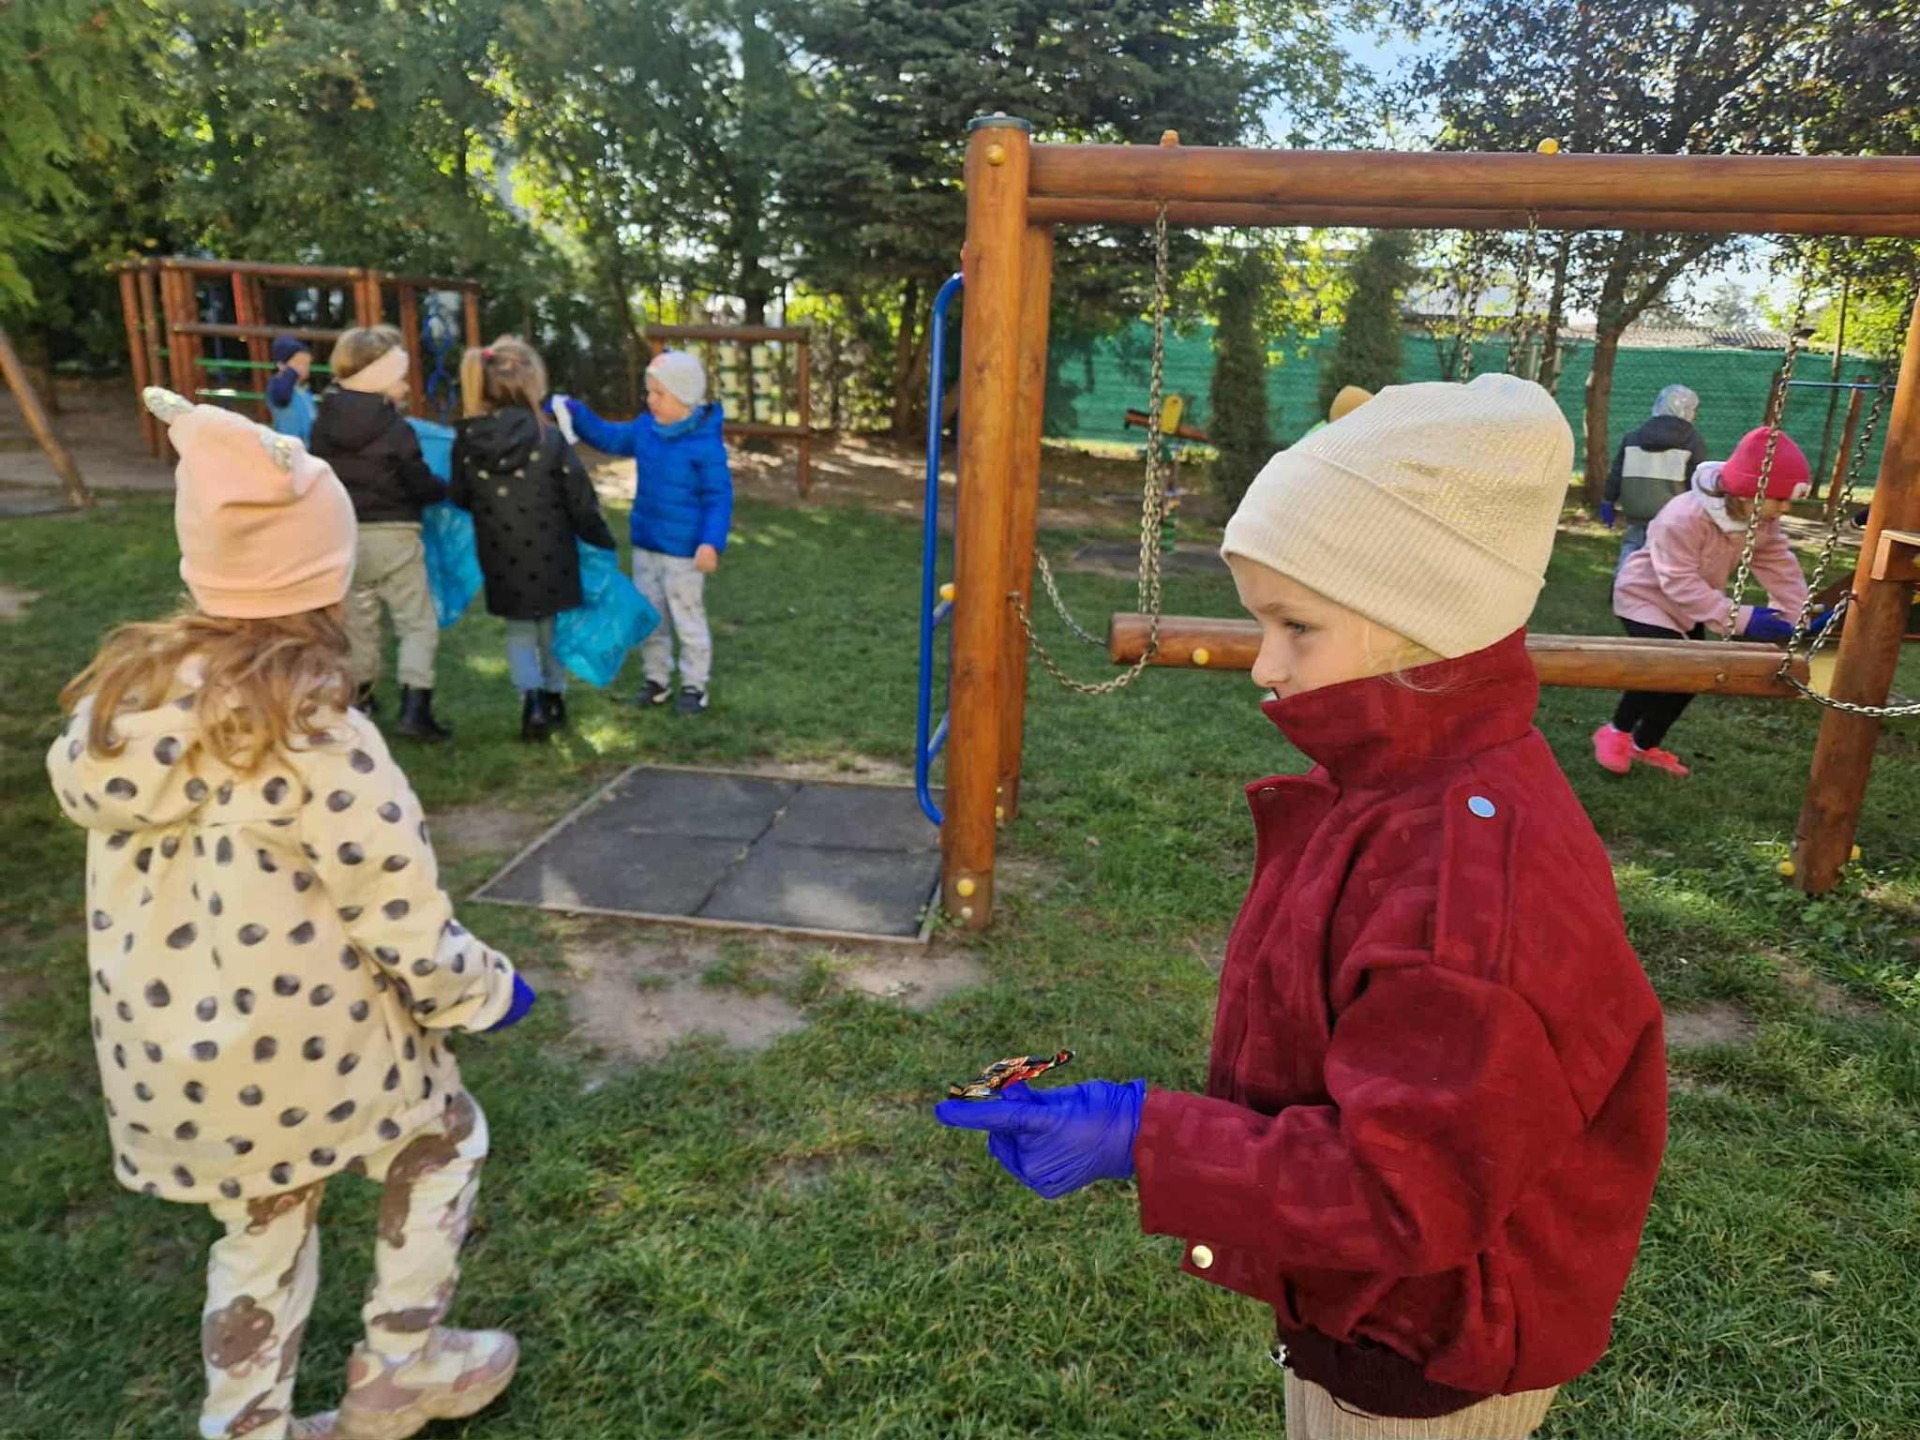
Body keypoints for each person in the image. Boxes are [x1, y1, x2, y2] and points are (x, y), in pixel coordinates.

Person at [937, 375, 1667, 1440]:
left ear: (1424, 625)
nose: (1265, 665)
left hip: (1429, 1341)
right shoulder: (1396, 781)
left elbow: (1403, 1191)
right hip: (1357, 1304)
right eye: (1260, 622)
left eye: (1297, 626)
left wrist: (1146, 1137)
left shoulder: (1468, 885)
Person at [47, 388, 536, 1440]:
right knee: (441, 1142)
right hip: (321, 1043)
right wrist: (487, 992)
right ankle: (403, 1362)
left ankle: (246, 1424)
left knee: (263, 1228)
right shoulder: (318, 738)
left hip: (181, 1060)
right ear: (328, 578)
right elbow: (399, 910)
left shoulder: (121, 720)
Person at [1596, 425, 1813, 778]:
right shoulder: (1683, 516)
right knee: (1661, 667)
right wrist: (1741, 618)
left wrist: (1797, 616)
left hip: (1690, 604)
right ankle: (1615, 732)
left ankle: (1644, 744)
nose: (1785, 508)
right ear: (1748, 492)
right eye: (1779, 498)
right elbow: (1677, 581)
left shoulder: (1761, 521)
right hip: (1645, 596)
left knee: (1694, 676)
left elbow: (1779, 565)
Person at [450, 338, 618, 742]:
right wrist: (600, 539)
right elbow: (580, 498)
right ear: (532, 383)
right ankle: (554, 696)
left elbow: (459, 495)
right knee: (550, 629)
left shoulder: (468, 441)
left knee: (520, 631)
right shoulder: (549, 437)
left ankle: (532, 702)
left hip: (500, 554)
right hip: (552, 552)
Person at [553, 350, 732, 716]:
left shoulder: (705, 445)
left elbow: (719, 497)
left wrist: (711, 543)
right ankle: (657, 681)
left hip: (684, 555)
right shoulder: (645, 430)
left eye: (659, 393)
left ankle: (695, 686)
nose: (650, 400)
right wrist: (578, 414)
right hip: (647, 545)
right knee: (650, 617)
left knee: (687, 618)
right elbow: (608, 437)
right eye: (649, 391)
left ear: (684, 398)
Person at [310, 326, 451, 741]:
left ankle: (361, 699)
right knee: (416, 622)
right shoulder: (396, 429)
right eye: (399, 377)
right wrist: (442, 489)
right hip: (395, 535)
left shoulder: (322, 425)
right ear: (379, 377)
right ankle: (415, 708)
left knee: (358, 622)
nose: (405, 386)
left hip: (345, 535)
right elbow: (416, 481)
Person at [1600, 384, 1708, 573]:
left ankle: (1623, 582)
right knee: (1668, 553)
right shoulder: (1692, 441)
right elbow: (1697, 480)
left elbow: (1617, 472)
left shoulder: (1633, 437)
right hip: (1672, 512)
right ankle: (1657, 587)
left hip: (1637, 508)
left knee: (1633, 545)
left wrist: (1608, 501)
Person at [264, 336, 315, 441]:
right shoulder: (278, 385)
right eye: (299, 363)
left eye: (307, 363)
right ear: (282, 365)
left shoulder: (303, 388)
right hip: (288, 443)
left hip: (307, 442)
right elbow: (281, 397)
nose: (304, 367)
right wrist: (291, 373)